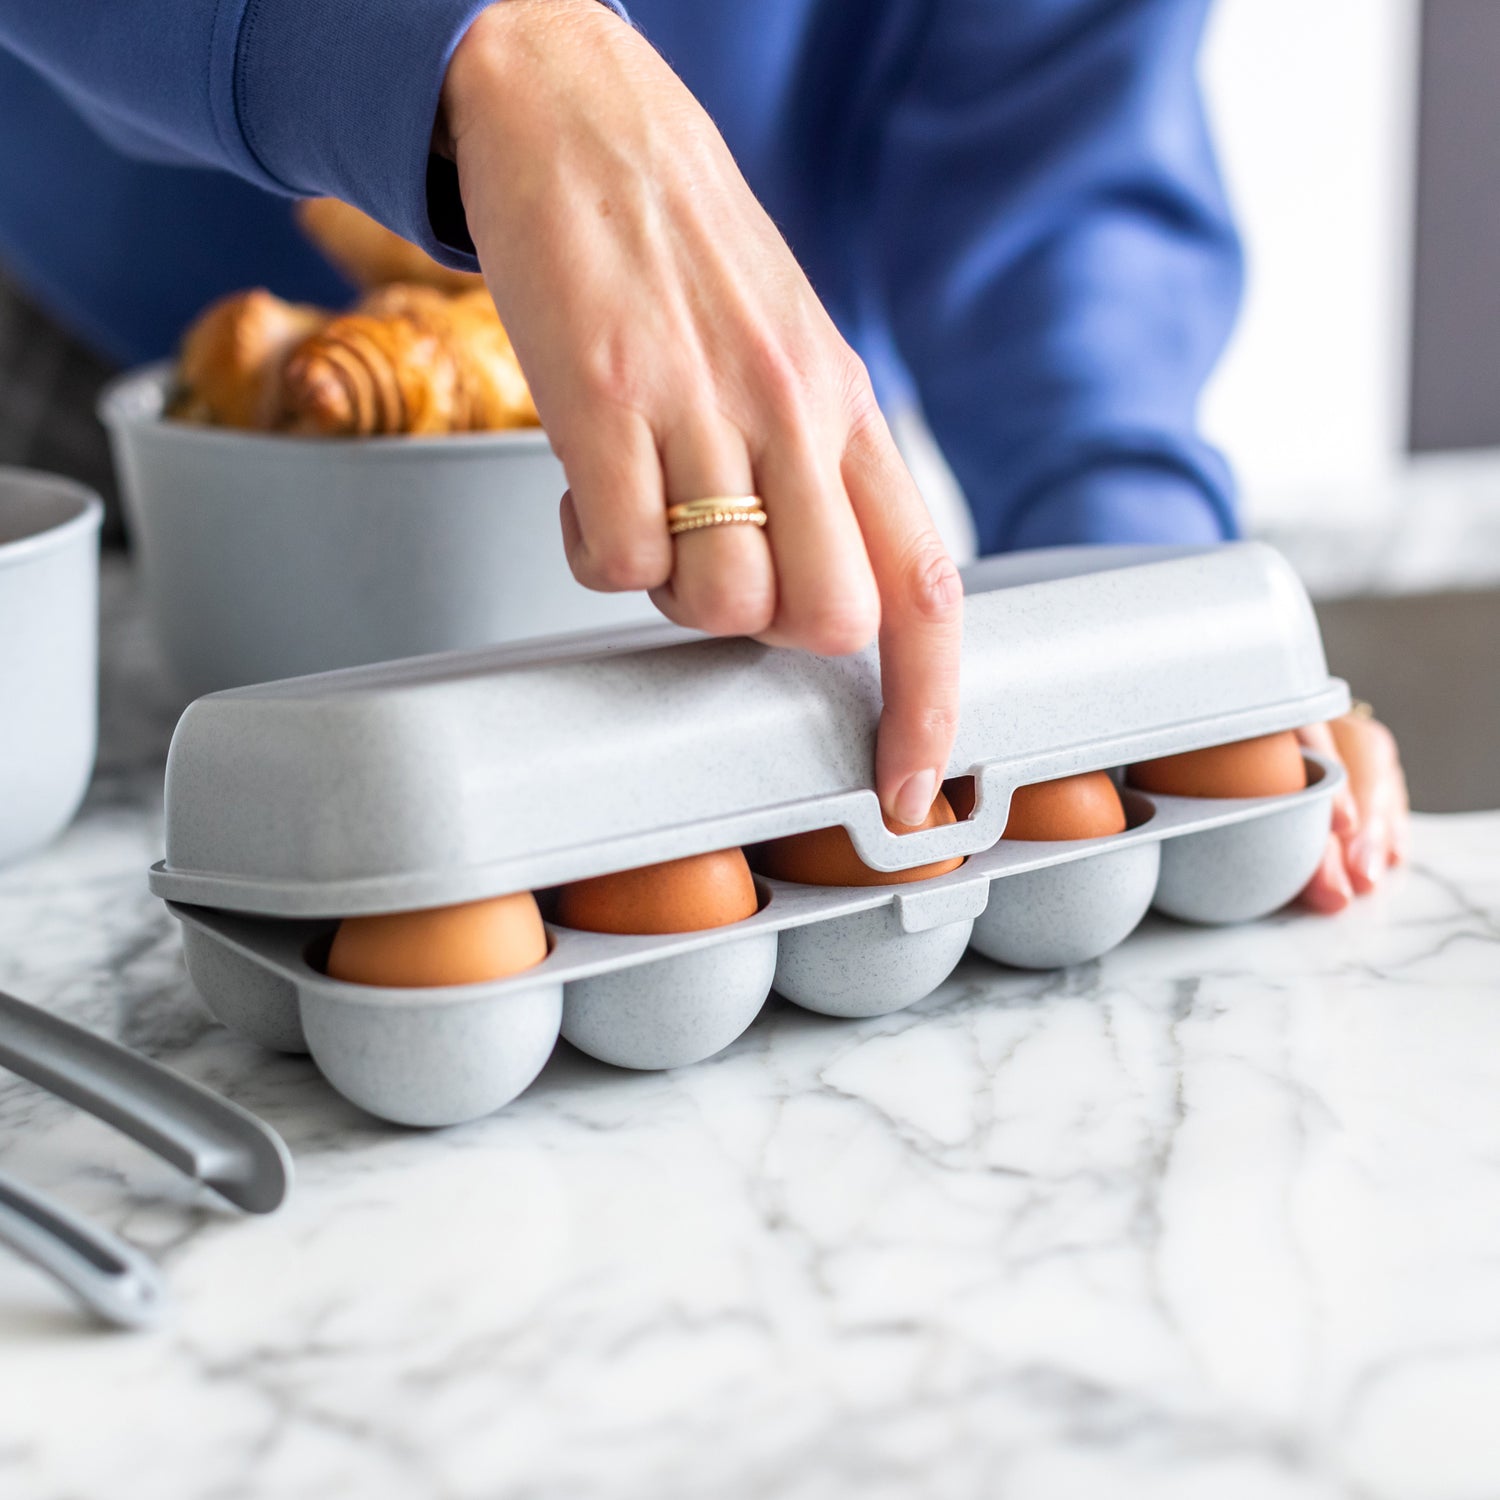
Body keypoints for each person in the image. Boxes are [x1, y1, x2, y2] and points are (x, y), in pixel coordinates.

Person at [0, 0, 1405, 907]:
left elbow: (1061, 146)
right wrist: (463, 44)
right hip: (108, 386)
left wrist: (1158, 613)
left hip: (731, 451)